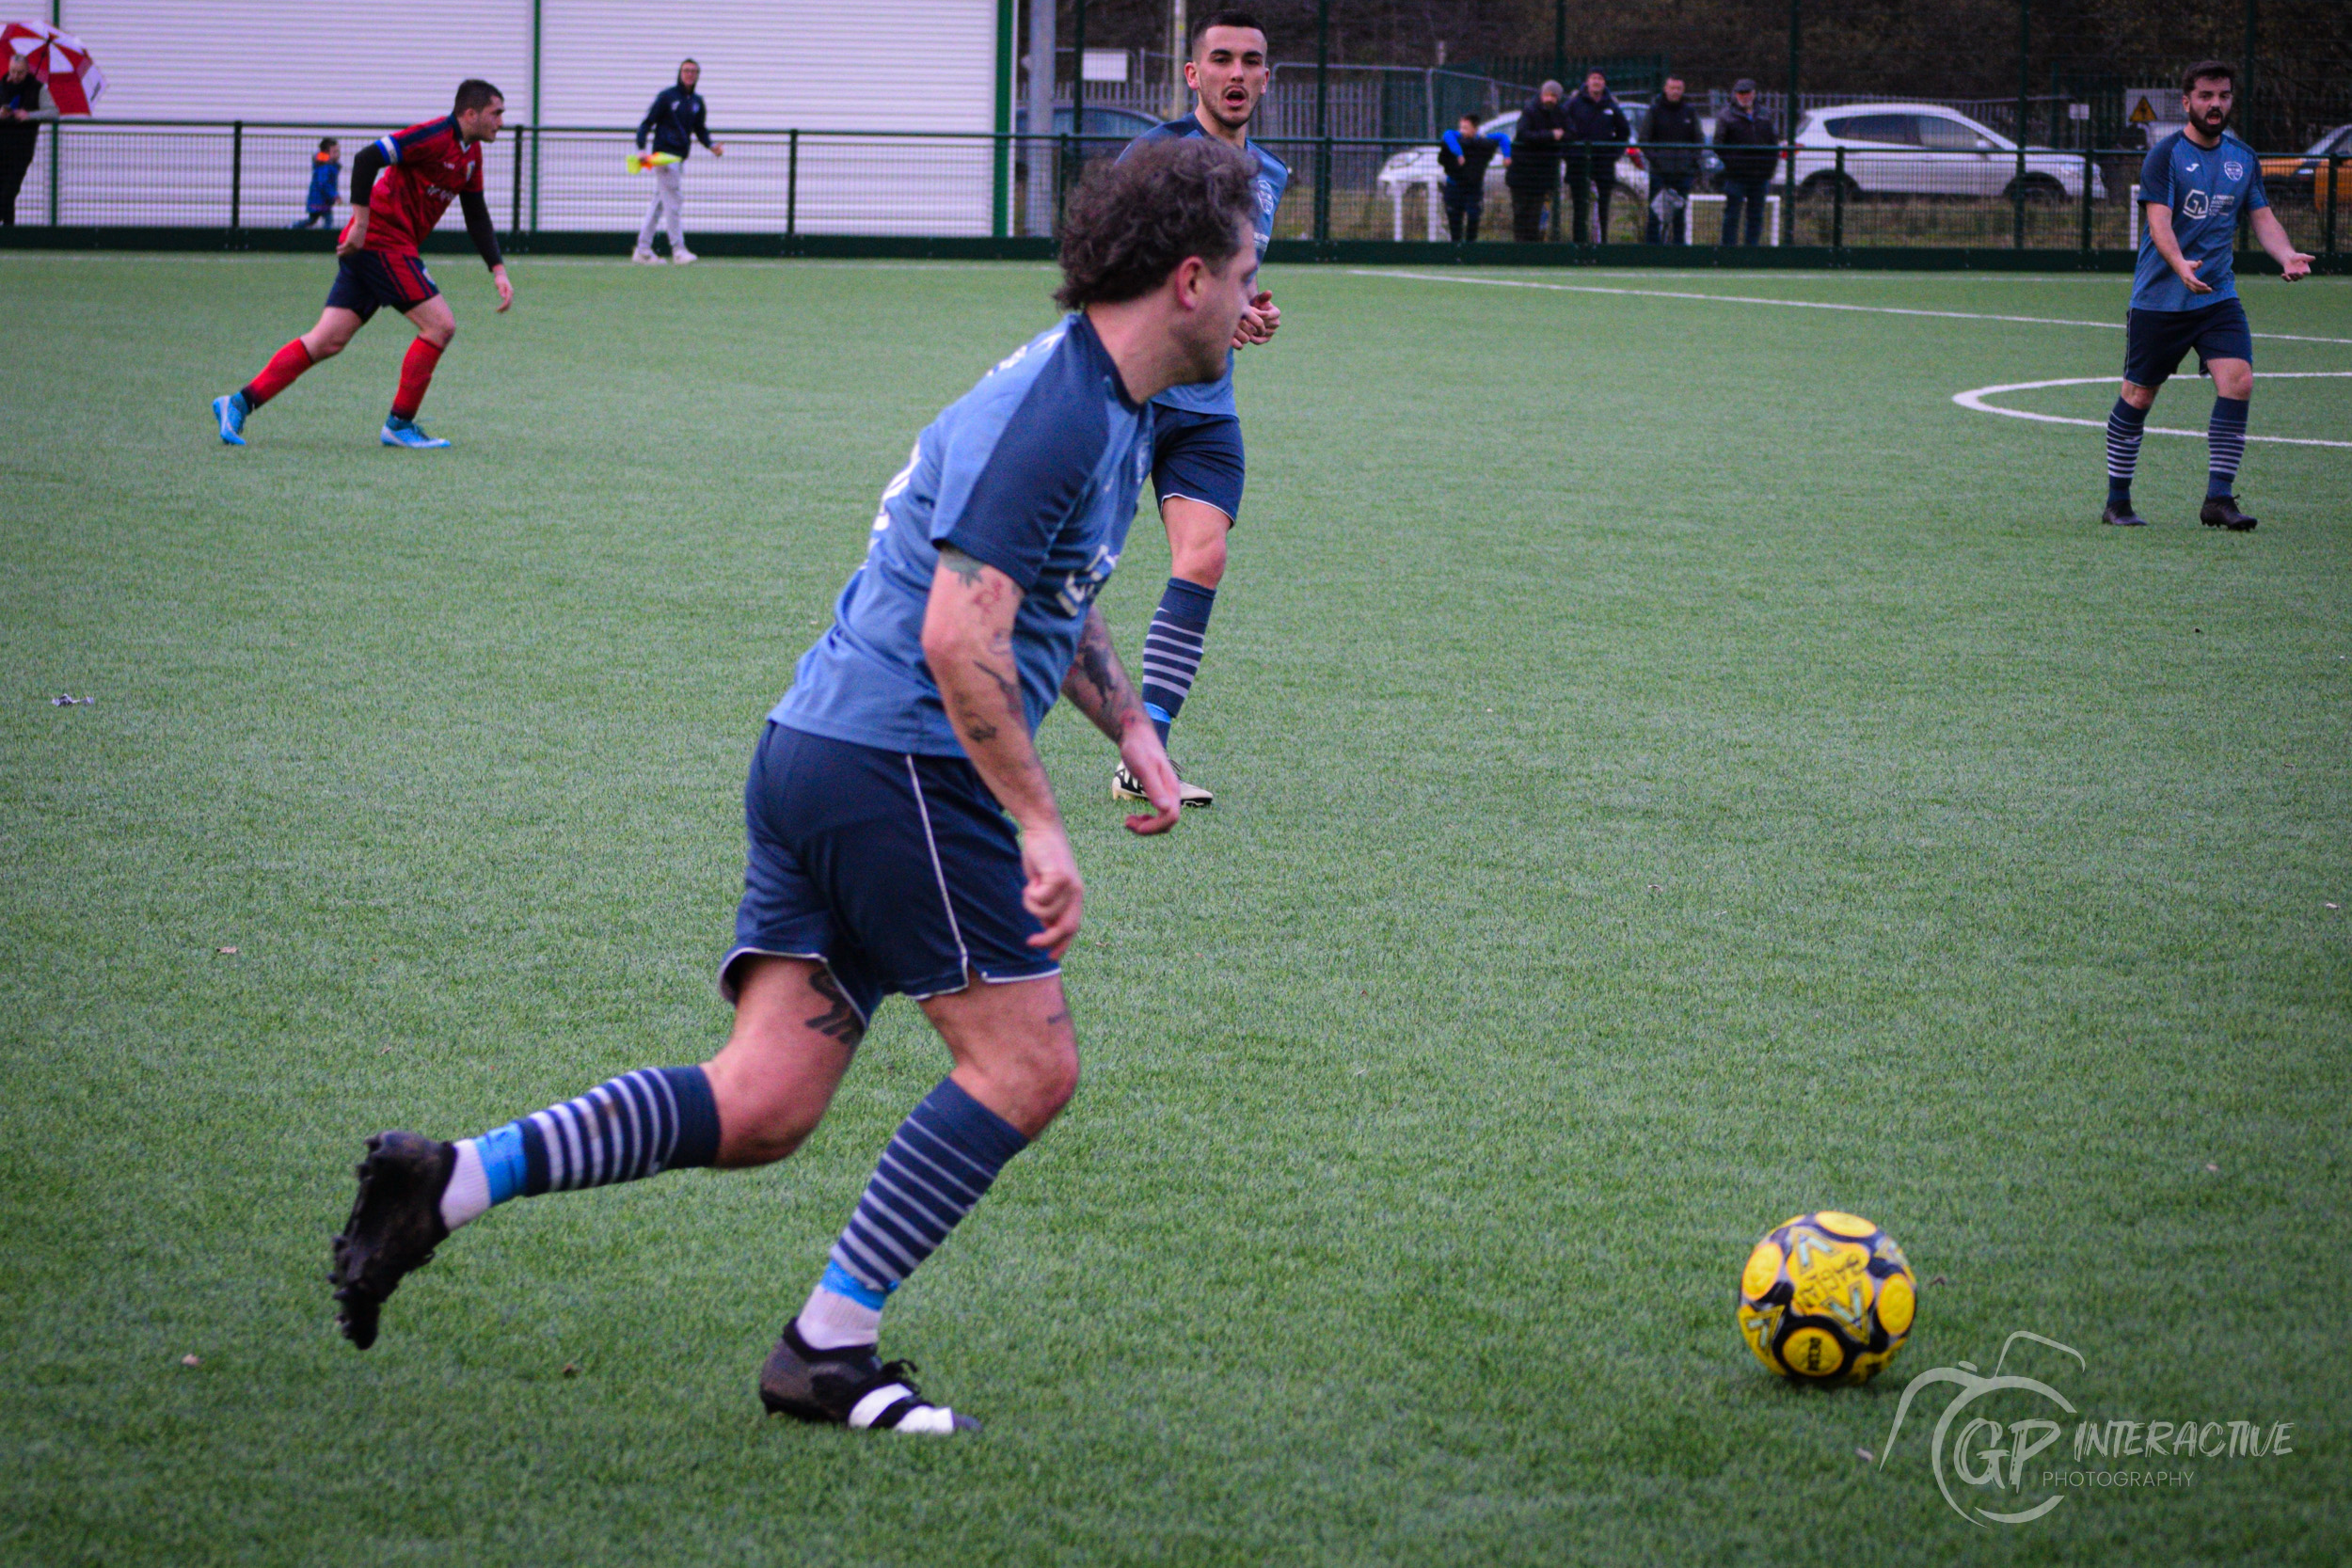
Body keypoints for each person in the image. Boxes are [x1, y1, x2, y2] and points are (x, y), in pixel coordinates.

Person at [326, 137, 1260, 1436]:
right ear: (1191, 277)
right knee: (1027, 1062)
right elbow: (958, 635)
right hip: (901, 764)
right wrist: (1043, 821)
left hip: (821, 748)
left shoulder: (1105, 398)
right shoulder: (1063, 408)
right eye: (1248, 274)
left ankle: (451, 1180)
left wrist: (1134, 727)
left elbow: (1053, 595)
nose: (1256, 305)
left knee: (763, 1100)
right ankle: (828, 1345)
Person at [1110, 10, 1288, 809]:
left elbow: (1228, 282)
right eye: (1221, 59)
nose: (1237, 74)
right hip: (1127, 396)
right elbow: (1104, 267)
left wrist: (1248, 310)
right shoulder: (1153, 157)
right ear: (1193, 74)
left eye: (1252, 61)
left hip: (1206, 408)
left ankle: (1146, 756)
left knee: (1203, 558)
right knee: (1050, 576)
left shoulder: (1271, 178)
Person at [213, 81, 513, 451]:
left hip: (386, 246)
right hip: (382, 241)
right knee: (440, 326)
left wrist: (497, 269)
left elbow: (476, 213)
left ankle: (238, 404)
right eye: (497, 113)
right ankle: (399, 424)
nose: (502, 121)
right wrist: (361, 224)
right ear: (471, 113)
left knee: (327, 340)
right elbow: (366, 158)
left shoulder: (472, 155)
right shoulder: (431, 135)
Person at [2103, 60, 2311, 531]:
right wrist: (2179, 266)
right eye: (2205, 96)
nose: (2215, 104)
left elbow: (2261, 217)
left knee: (2239, 381)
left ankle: (2218, 499)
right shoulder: (2166, 156)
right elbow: (2158, 224)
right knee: (2138, 395)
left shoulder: (2243, 158)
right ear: (2186, 102)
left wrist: (2286, 255)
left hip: (2217, 298)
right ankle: (2117, 500)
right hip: (2159, 300)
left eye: (2223, 96)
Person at [633, 58, 724, 264]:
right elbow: (646, 123)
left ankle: (643, 249)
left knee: (659, 203)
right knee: (674, 202)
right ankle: (678, 250)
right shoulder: (667, 97)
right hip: (664, 157)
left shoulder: (697, 102)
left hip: (679, 158)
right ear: (680, 72)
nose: (689, 74)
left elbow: (700, 129)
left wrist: (712, 145)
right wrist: (641, 149)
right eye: (686, 70)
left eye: (693, 71)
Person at [1565, 70, 1630, 244]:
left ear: (1604, 83)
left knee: (1603, 209)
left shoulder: (1612, 106)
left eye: (1600, 78)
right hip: (1579, 165)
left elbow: (1624, 132)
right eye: (1593, 78)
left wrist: (1613, 154)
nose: (1597, 82)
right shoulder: (1574, 104)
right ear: (1587, 81)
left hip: (1603, 166)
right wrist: (1570, 154)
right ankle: (1578, 246)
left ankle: (1601, 246)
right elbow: (1562, 126)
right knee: (1580, 209)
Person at [1712, 79, 1778, 246]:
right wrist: (1733, 164)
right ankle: (1728, 251)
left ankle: (1751, 251)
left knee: (1756, 216)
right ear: (1735, 94)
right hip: (1736, 176)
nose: (1744, 96)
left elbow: (1773, 143)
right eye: (1740, 93)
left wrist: (1768, 168)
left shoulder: (1765, 114)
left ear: (1754, 93)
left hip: (1760, 175)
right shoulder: (1726, 115)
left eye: (1747, 92)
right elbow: (1718, 144)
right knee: (1732, 215)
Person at [1506, 79, 1570, 242]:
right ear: (1542, 94)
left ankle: (1533, 252)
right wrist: (1551, 136)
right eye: (1548, 95)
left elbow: (1571, 133)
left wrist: (1561, 136)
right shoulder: (1529, 111)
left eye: (1554, 96)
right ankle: (1520, 252)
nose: (1550, 99)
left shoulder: (1560, 113)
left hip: (1543, 177)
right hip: (1522, 174)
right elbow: (1524, 134)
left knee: (1536, 217)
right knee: (1521, 214)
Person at [0, 51, 58, 228]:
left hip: (21, 150)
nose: (15, 76)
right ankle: (9, 233)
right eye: (12, 71)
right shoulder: (1, 86)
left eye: (20, 72)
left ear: (27, 71)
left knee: (10, 191)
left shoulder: (38, 88)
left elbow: (53, 112)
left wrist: (29, 115)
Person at [1642, 76, 1702, 244]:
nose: (1675, 92)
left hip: (1683, 173)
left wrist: (1689, 162)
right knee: (1655, 214)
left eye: (1678, 88)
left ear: (1682, 90)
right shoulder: (1654, 111)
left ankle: (1678, 252)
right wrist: (1656, 160)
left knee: (1679, 216)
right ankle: (1652, 251)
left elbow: (1699, 140)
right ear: (1665, 89)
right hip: (1659, 173)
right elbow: (1644, 139)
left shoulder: (1690, 112)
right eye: (1672, 88)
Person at [1438, 113, 1508, 244]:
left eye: (1465, 128)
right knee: (1454, 221)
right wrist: (1458, 153)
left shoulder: (1484, 142)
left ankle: (1471, 249)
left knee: (1473, 218)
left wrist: (1507, 155)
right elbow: (1447, 134)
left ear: (1475, 129)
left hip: (1474, 188)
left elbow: (1503, 138)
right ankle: (1456, 251)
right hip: (1454, 187)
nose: (1461, 131)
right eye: (1461, 127)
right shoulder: (1453, 139)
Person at [291, 138, 341, 230]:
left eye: (338, 151)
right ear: (326, 153)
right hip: (320, 200)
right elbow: (323, 183)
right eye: (334, 152)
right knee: (327, 220)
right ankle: (326, 238)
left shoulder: (328, 165)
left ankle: (294, 227)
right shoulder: (325, 167)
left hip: (320, 200)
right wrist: (334, 195)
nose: (338, 154)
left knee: (312, 220)